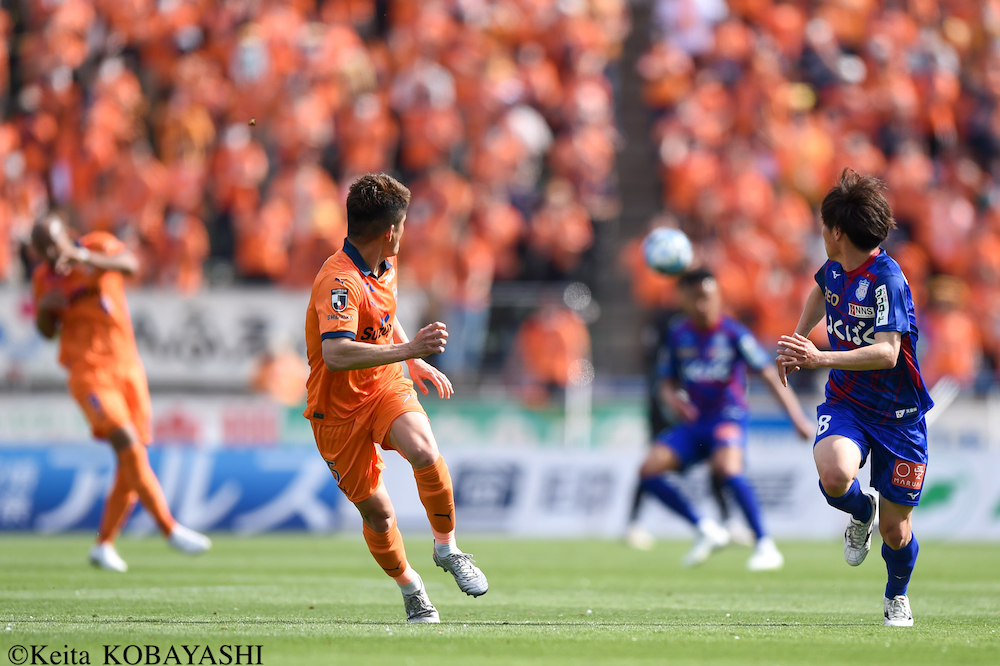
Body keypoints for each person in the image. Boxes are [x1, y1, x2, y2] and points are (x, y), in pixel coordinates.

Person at [304, 173, 488, 624]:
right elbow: (336, 353)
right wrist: (409, 351)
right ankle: (411, 587)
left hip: (383, 384)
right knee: (380, 515)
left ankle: (447, 548)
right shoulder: (339, 281)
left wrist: (412, 360)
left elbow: (382, 313)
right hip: (336, 411)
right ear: (390, 231)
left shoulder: (384, 262)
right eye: (403, 226)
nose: (405, 234)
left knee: (423, 449)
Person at [777, 169, 933, 627]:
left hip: (900, 417)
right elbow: (821, 289)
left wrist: (818, 357)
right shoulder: (835, 267)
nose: (821, 233)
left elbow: (887, 353)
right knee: (834, 475)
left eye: (824, 226)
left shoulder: (887, 279)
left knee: (896, 532)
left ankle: (896, 595)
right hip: (847, 402)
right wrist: (798, 338)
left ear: (837, 232)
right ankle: (860, 511)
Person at [31, 215, 211, 572]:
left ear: (67, 235)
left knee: (134, 454)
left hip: (127, 365)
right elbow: (47, 332)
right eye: (43, 250)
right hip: (88, 372)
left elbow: (130, 265)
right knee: (126, 442)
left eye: (54, 244)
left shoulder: (96, 245)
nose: (51, 254)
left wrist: (83, 257)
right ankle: (169, 528)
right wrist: (43, 311)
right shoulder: (43, 279)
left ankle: (104, 544)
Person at [627, 268, 814, 570]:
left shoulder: (733, 333)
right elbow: (665, 382)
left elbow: (768, 375)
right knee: (648, 470)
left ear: (718, 297)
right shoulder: (678, 334)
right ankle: (705, 528)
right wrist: (673, 399)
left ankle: (765, 545)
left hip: (728, 417)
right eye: (695, 298)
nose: (703, 304)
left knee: (728, 468)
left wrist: (797, 419)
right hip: (694, 423)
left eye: (708, 297)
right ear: (683, 300)